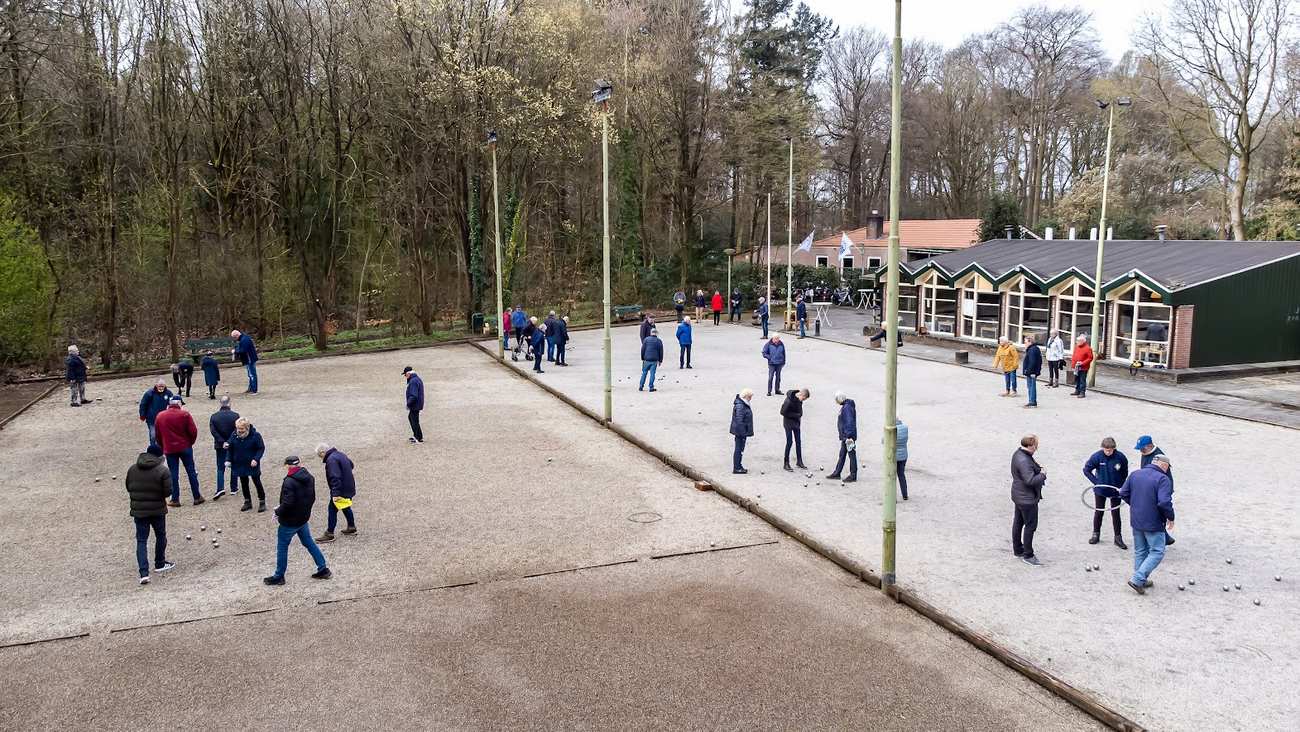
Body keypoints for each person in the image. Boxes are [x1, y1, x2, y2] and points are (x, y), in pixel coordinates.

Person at [264, 456, 331, 585]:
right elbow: (311, 498)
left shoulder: (289, 482)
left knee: (282, 547)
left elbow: (288, 503)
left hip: (290, 522)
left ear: (288, 466)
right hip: (303, 519)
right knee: (309, 543)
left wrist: (277, 512)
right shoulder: (310, 477)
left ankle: (279, 576)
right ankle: (323, 568)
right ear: (299, 464)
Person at [1120, 453, 1174, 594]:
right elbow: (1164, 502)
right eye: (1167, 467)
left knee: (1140, 550)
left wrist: (1136, 505)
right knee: (1157, 551)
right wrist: (1170, 517)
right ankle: (1137, 579)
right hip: (1153, 521)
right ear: (1164, 465)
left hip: (1136, 519)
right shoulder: (1163, 479)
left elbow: (1123, 492)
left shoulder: (1135, 474)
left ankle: (1140, 580)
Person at [125, 444, 175, 585]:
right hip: (157, 509)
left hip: (139, 511)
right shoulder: (162, 471)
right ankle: (159, 563)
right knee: (160, 535)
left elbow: (128, 487)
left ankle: (143, 573)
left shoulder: (132, 469)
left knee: (141, 540)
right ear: (160, 457)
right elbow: (168, 492)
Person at [154, 397, 202, 507]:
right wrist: (189, 443)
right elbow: (193, 431)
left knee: (173, 474)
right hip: (185, 447)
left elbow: (157, 435)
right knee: (191, 472)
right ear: (179, 404)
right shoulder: (184, 415)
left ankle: (175, 498)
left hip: (169, 449)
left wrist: (163, 445)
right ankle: (197, 496)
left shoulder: (160, 416)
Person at [1083, 437, 1129, 549]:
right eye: (1106, 450)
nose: (1108, 452)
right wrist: (1096, 482)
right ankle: (1096, 534)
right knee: (1099, 512)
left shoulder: (1121, 457)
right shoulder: (1097, 456)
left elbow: (1124, 472)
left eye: (1110, 450)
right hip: (1101, 490)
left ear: (1114, 448)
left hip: (1115, 490)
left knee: (1115, 513)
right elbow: (1086, 470)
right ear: (1102, 448)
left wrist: (1121, 486)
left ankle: (1118, 538)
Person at [1011, 435, 1046, 566]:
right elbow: (1030, 480)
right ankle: (1028, 554)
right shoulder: (1024, 460)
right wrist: (1043, 474)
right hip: (1027, 499)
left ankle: (1018, 549)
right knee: (1030, 526)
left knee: (1018, 522)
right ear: (1031, 446)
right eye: (1036, 446)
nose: (1036, 448)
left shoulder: (1018, 453)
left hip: (1018, 495)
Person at [1135, 435, 1175, 546]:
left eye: (1142, 448)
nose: (1140, 451)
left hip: (1159, 489)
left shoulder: (1158, 457)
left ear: (1149, 446)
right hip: (1150, 488)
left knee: (1158, 514)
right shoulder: (1145, 453)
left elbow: (1162, 477)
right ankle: (1165, 537)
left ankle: (1162, 538)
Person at [315, 443, 357, 542]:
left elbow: (335, 477)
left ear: (322, 452)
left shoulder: (331, 460)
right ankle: (351, 527)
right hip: (349, 487)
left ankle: (330, 533)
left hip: (341, 490)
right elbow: (351, 465)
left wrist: (335, 494)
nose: (320, 458)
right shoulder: (340, 454)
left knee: (332, 510)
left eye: (319, 456)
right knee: (345, 506)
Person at [227, 417, 267, 512]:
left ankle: (262, 501)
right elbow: (230, 448)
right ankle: (247, 501)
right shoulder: (234, 435)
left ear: (247, 428)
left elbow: (261, 448)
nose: (239, 431)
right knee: (244, 483)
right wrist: (228, 459)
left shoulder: (256, 436)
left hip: (252, 464)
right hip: (240, 464)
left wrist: (256, 459)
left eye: (242, 429)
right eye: (238, 429)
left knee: (257, 482)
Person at [209, 395, 240, 500]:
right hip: (233, 445)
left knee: (220, 467)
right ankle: (234, 488)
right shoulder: (235, 416)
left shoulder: (214, 417)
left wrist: (222, 442)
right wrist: (229, 441)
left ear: (220, 404)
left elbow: (213, 431)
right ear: (229, 403)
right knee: (234, 465)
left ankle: (220, 487)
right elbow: (237, 430)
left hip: (219, 445)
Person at [825, 391, 859, 483]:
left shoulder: (846, 408)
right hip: (846, 436)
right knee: (842, 455)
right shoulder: (846, 406)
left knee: (851, 455)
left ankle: (853, 475)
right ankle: (837, 472)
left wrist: (848, 436)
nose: (836, 402)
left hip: (848, 437)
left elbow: (849, 422)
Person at [780, 388, 810, 471]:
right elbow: (782, 412)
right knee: (789, 442)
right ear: (801, 395)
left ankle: (799, 461)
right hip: (788, 424)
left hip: (796, 423)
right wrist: (796, 415)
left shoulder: (799, 400)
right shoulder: (788, 401)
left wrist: (799, 415)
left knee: (798, 442)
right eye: (803, 399)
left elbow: (800, 411)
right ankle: (786, 463)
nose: (803, 400)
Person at [138, 379, 176, 445]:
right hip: (152, 419)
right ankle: (153, 450)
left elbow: (173, 405)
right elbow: (143, 404)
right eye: (159, 386)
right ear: (156, 385)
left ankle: (163, 449)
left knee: (164, 435)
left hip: (164, 419)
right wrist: (142, 415)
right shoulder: (149, 394)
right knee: (153, 435)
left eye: (162, 386)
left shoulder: (169, 393)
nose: (161, 388)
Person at [730, 388, 754, 474]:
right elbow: (739, 421)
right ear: (746, 396)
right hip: (740, 432)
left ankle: (738, 466)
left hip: (741, 431)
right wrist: (743, 433)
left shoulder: (742, 403)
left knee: (740, 449)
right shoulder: (741, 405)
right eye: (750, 397)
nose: (751, 398)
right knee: (738, 449)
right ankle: (737, 467)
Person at [230, 329, 259, 394]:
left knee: (252, 374)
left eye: (234, 337)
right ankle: (251, 388)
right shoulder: (243, 338)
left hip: (249, 359)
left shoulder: (244, 340)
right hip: (248, 359)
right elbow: (240, 348)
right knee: (250, 374)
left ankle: (254, 390)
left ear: (237, 335)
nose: (235, 339)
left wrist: (235, 351)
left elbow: (243, 350)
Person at [403, 366, 424, 443]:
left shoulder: (413, 381)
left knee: (413, 419)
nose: (405, 377)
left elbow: (413, 395)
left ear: (408, 374)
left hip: (415, 404)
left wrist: (408, 404)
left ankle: (418, 437)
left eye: (405, 375)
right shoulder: (416, 379)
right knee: (412, 418)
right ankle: (418, 436)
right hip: (417, 404)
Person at [1022, 335, 1042, 407]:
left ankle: (1032, 401)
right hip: (1032, 371)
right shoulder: (1033, 348)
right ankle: (1031, 400)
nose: (1025, 344)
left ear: (1030, 342)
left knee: (1031, 386)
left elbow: (1033, 362)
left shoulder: (1032, 349)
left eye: (1025, 342)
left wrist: (1029, 371)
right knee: (1030, 386)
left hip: (1032, 372)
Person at [893, 418, 909, 500]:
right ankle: (905, 494)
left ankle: (893, 497)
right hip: (903, 456)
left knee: (892, 477)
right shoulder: (905, 428)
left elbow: (884, 441)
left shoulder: (892, 429)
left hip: (894, 456)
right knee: (901, 475)